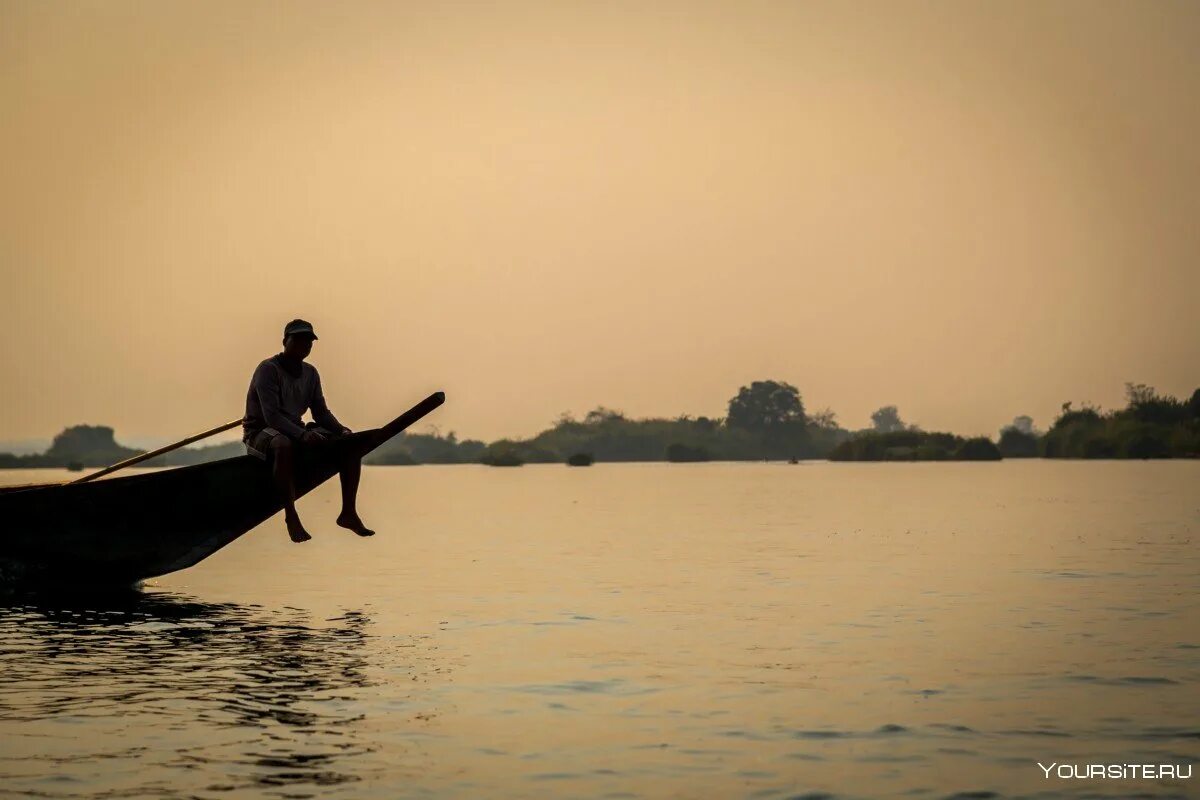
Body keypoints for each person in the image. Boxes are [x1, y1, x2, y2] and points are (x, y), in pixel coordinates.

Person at [242, 318, 375, 543]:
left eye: (308, 341)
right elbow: (272, 417)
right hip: (260, 432)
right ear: (285, 341)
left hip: (293, 430)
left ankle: (348, 513)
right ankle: (291, 515)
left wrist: (341, 430)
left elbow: (320, 412)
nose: (304, 345)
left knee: (351, 443)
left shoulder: (311, 373)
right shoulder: (268, 369)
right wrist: (303, 435)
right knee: (282, 444)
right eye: (298, 339)